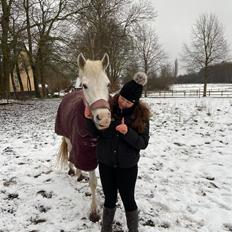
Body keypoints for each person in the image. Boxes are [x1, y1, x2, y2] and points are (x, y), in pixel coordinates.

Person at [85, 72, 150, 232]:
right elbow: (95, 134)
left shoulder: (140, 116)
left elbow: (143, 143)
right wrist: (88, 120)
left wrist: (127, 132)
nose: (123, 103)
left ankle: (133, 230)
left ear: (135, 102)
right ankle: (105, 229)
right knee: (109, 199)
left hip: (127, 167)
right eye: (122, 98)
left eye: (128, 101)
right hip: (106, 164)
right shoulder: (108, 109)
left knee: (128, 200)